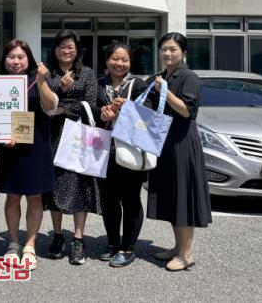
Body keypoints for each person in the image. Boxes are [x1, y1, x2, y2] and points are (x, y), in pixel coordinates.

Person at [146, 32, 212, 271]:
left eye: (173, 49)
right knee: (173, 196)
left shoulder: (188, 76)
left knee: (183, 196)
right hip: (164, 142)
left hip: (182, 142)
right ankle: (177, 247)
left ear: (183, 52)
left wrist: (165, 91)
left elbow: (187, 111)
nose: (167, 53)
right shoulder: (161, 76)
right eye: (164, 49)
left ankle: (186, 254)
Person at [0, 40, 57, 271]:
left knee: (35, 198)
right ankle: (13, 243)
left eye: (21, 57)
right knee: (12, 196)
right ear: (4, 60)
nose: (16, 61)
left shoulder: (38, 79)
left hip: (35, 146)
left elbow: (51, 106)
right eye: (11, 57)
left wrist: (41, 81)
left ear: (29, 59)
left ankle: (30, 245)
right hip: (9, 147)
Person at [43, 29, 100, 265]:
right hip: (53, 135)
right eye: (62, 46)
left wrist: (65, 109)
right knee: (54, 185)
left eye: (70, 47)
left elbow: (91, 104)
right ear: (55, 49)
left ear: (77, 50)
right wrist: (60, 90)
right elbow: (43, 101)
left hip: (78, 136)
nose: (66, 51)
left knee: (80, 185)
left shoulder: (86, 73)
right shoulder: (48, 74)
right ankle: (57, 235)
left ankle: (78, 238)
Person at [94, 42, 147, 268]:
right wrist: (103, 113)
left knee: (131, 199)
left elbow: (149, 115)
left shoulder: (139, 85)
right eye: (115, 59)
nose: (119, 63)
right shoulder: (98, 84)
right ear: (107, 60)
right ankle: (113, 243)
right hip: (103, 151)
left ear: (130, 63)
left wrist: (128, 109)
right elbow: (90, 110)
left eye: (124, 59)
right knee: (109, 200)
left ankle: (128, 247)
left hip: (131, 151)